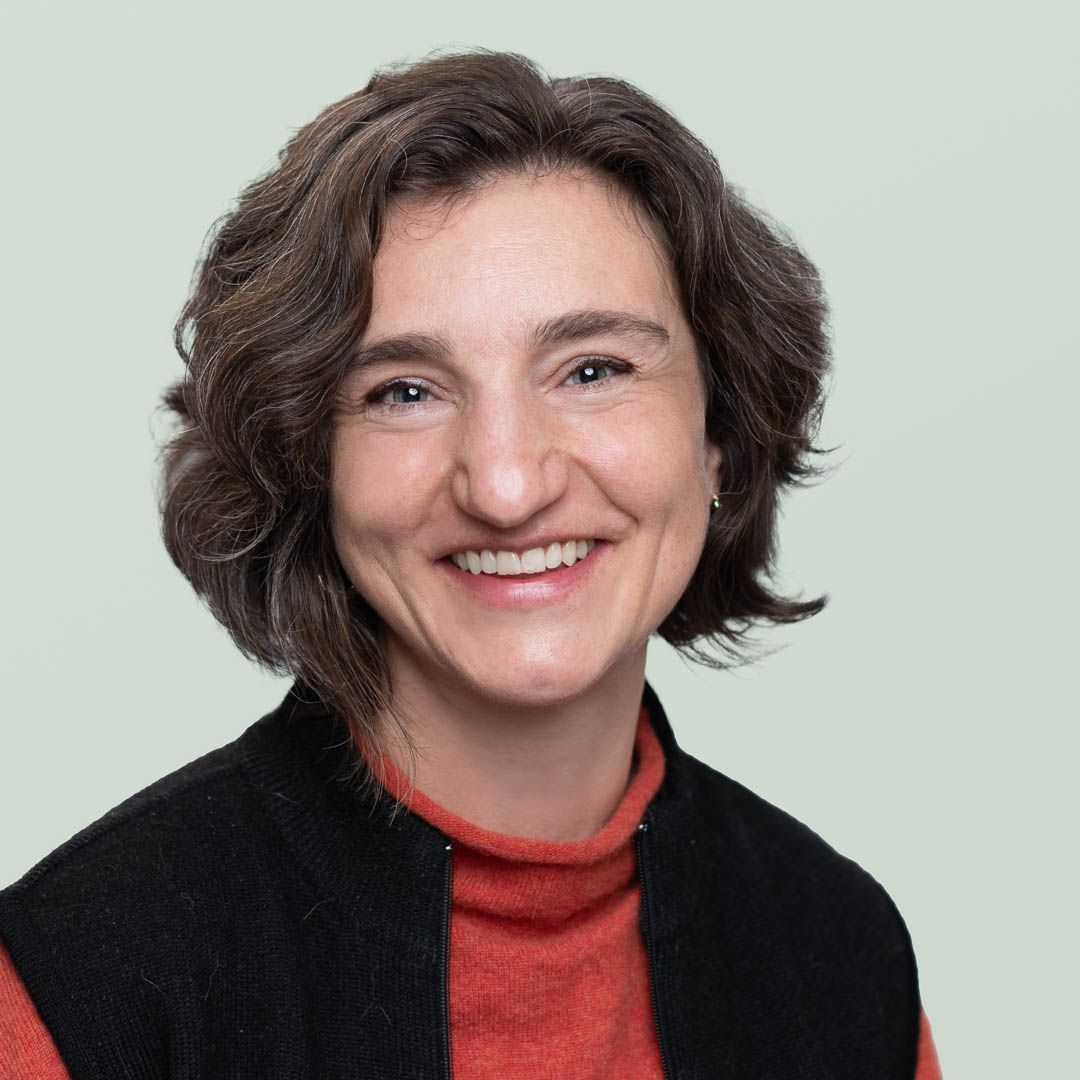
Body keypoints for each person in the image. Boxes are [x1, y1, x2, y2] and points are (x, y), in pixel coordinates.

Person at [0, 47, 942, 1078]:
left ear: (718, 436)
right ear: (307, 464)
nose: (505, 485)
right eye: (404, 391)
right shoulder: (80, 992)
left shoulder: (840, 958)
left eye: (593, 370)